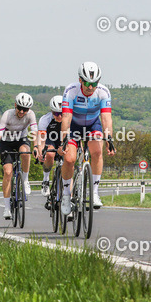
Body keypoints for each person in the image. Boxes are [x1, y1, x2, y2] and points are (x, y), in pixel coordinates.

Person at [59, 61, 116, 217]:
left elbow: (106, 117)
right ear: (80, 80)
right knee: (69, 159)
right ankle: (65, 195)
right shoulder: (71, 91)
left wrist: (109, 138)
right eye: (87, 83)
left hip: (93, 124)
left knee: (97, 151)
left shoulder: (103, 92)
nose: (90, 87)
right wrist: (64, 138)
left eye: (94, 83)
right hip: (74, 125)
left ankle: (95, 192)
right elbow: (66, 116)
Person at [0, 92, 36, 220]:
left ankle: (26, 180)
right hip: (6, 142)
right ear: (15, 105)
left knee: (25, 152)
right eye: (20, 108)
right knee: (7, 172)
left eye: (25, 109)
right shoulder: (7, 115)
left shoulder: (31, 115)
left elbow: (35, 132)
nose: (22, 112)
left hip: (21, 139)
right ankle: (6, 207)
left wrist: (37, 147)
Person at [35, 95, 64, 203]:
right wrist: (41, 151)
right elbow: (41, 139)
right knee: (49, 154)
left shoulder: (70, 118)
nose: (60, 116)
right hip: (50, 139)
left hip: (64, 139)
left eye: (62, 113)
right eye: (56, 113)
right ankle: (46, 180)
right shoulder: (45, 120)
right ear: (52, 112)